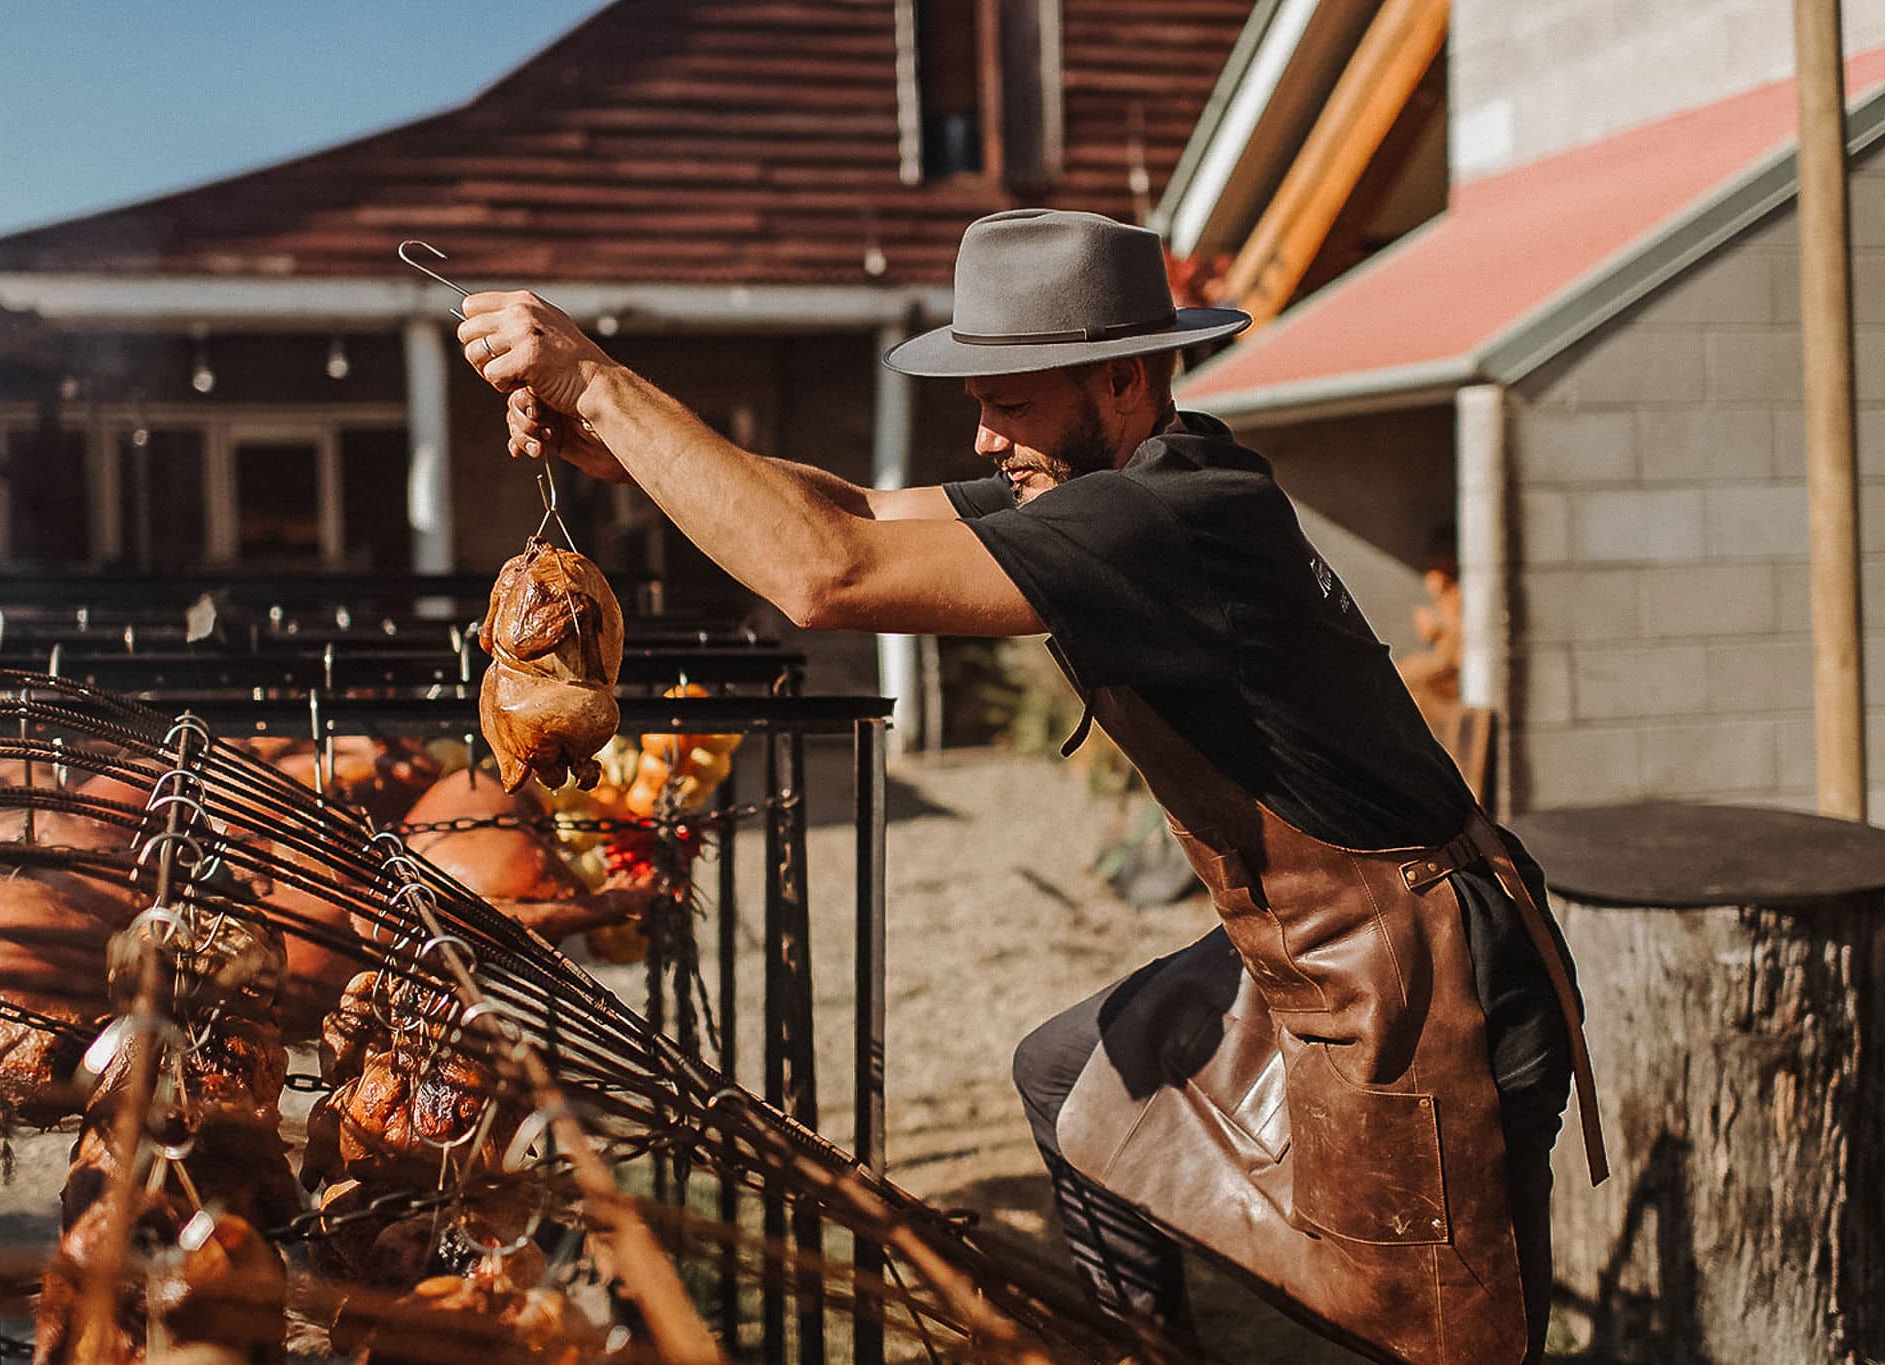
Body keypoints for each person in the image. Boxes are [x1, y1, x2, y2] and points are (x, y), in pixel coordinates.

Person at [453, 208, 1605, 1365]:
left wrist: (597, 384)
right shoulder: (1118, 479)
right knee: (1073, 1079)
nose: (989, 436)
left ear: (1119, 378)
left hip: (1420, 969)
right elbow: (853, 510)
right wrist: (633, 450)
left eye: (1010, 402)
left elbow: (826, 572)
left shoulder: (1163, 514)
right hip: (1303, 943)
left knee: (1433, 1335)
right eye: (978, 403)